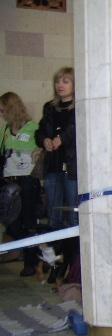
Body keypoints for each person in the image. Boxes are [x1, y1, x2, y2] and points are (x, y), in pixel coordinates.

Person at [0, 92, 41, 276]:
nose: (1, 114)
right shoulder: (5, 131)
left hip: (27, 180)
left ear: (11, 108)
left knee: (28, 222)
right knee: (12, 223)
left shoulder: (33, 128)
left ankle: (31, 262)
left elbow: (40, 151)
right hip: (8, 181)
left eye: (3, 110)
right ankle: (34, 252)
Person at [35, 66, 77, 229]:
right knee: (53, 213)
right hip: (52, 165)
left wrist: (62, 139)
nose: (60, 85)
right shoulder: (49, 107)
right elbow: (40, 131)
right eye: (57, 81)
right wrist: (44, 140)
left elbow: (77, 129)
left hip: (71, 166)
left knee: (74, 213)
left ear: (74, 84)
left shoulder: (79, 107)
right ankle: (55, 251)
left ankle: (73, 252)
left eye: (65, 81)